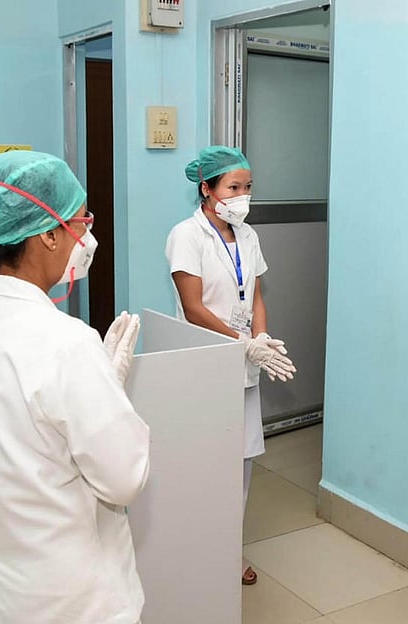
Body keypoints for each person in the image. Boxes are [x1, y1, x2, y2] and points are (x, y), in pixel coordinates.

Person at [0, 150, 150, 624]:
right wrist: (108, 390)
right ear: (47, 234)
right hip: (72, 598)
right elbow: (123, 479)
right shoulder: (67, 344)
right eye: (79, 222)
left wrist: (93, 388)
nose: (87, 237)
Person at [165, 145, 296, 586]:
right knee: (206, 460)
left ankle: (229, 550)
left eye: (248, 187)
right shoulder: (187, 234)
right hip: (205, 360)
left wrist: (259, 339)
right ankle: (195, 546)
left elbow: (255, 295)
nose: (243, 195)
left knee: (241, 462)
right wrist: (243, 342)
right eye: (233, 187)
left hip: (244, 362)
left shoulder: (249, 236)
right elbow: (193, 306)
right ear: (207, 189)